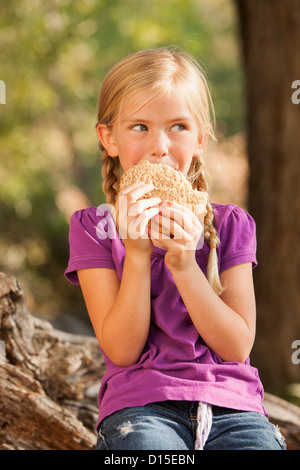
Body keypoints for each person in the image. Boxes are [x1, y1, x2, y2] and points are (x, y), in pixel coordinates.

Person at [65, 47, 286, 450]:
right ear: (108, 138)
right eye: (139, 127)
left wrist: (184, 265)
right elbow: (122, 350)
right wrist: (135, 253)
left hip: (234, 407)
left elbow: (237, 346)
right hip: (141, 407)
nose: (159, 147)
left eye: (178, 127)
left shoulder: (230, 224)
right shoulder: (94, 228)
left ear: (201, 138)